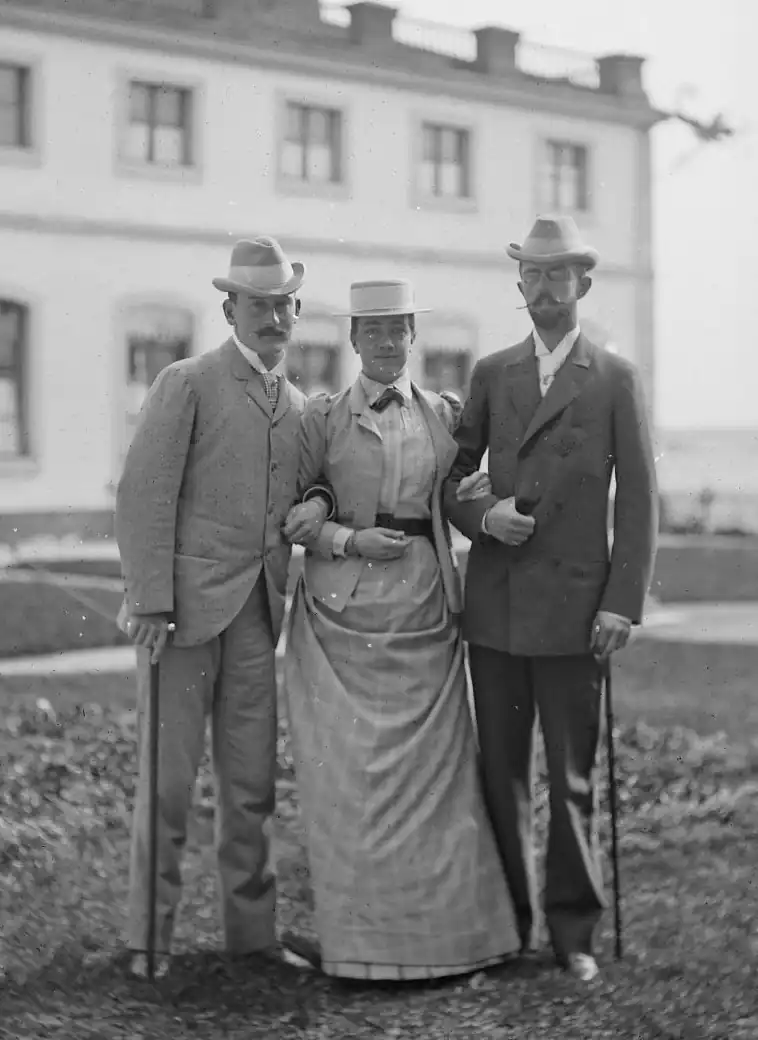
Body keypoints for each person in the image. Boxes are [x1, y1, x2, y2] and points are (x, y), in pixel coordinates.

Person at [281, 279, 520, 981]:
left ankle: (448, 945)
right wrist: (347, 539)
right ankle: (362, 948)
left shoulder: (446, 415)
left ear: (414, 336)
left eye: (398, 328)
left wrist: (490, 504)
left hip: (425, 608)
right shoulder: (322, 418)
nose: (387, 341)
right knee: (352, 783)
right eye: (373, 329)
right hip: (341, 616)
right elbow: (295, 513)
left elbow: (465, 490)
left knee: (434, 784)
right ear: (354, 338)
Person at [445, 216, 658, 983]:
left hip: (575, 612)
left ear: (582, 284)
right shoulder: (491, 373)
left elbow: (640, 499)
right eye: (532, 274)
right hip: (497, 609)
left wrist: (621, 603)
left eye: (557, 273)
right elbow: (452, 478)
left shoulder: (614, 378)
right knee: (500, 774)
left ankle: (573, 933)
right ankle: (510, 926)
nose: (543, 287)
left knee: (570, 781)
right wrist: (482, 516)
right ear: (519, 284)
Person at [115, 236, 331, 978]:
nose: (274, 317)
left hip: (256, 616)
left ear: (296, 312)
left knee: (251, 784)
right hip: (178, 617)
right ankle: (149, 940)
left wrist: (318, 502)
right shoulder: (188, 382)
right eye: (258, 304)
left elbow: (315, 484)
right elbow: (144, 494)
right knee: (167, 784)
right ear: (230, 309)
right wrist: (150, 601)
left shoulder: (298, 406)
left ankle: (253, 937)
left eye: (285, 305)